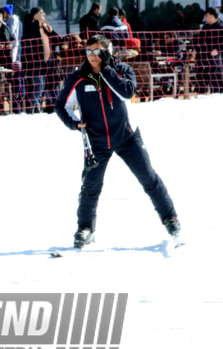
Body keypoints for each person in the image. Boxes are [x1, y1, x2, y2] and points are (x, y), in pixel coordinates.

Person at [54, 34, 180, 248]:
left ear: (108, 51)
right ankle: (85, 228)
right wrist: (74, 124)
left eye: (98, 51)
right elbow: (61, 106)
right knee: (90, 186)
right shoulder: (78, 78)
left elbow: (126, 92)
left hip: (127, 137)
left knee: (149, 178)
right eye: (89, 51)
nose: (93, 56)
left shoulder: (121, 71)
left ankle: (170, 219)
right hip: (97, 142)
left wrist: (105, 69)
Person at [22, 7, 59, 113]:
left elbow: (58, 41)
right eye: (42, 12)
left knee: (42, 87)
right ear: (36, 15)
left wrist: (51, 32)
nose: (44, 14)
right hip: (35, 64)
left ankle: (36, 108)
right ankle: (32, 108)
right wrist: (36, 61)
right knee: (38, 86)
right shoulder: (30, 29)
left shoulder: (43, 28)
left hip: (45, 63)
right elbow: (28, 48)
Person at [190, 8, 223, 94]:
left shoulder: (221, 27)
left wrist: (218, 50)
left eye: (206, 15)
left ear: (212, 16)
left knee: (214, 81)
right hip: (202, 58)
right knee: (201, 81)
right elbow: (196, 40)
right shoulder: (205, 27)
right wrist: (194, 49)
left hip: (215, 59)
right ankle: (201, 99)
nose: (204, 17)